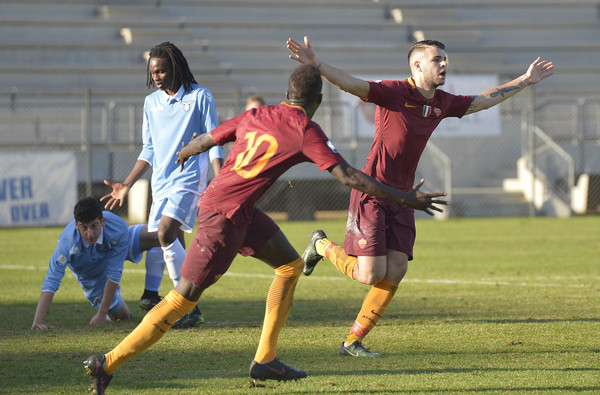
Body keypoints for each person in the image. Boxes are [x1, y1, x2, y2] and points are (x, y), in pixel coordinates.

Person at [83, 64, 447, 393]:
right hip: (222, 217)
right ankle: (108, 362)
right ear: (317, 100)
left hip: (240, 211)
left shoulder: (256, 113)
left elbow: (210, 138)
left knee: (289, 266)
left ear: (287, 93)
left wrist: (185, 152)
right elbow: (348, 176)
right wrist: (405, 198)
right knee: (183, 298)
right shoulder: (305, 129)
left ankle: (266, 361)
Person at [287, 36, 554, 357]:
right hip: (372, 191)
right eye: (437, 59)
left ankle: (352, 342)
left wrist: (525, 80)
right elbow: (352, 85)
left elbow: (480, 100)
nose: (444, 64)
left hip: (404, 197)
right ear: (417, 65)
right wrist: (315, 65)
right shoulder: (395, 92)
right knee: (370, 274)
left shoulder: (442, 102)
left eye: (445, 59)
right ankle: (321, 245)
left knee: (396, 268)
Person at [101, 42, 224, 328]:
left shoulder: (200, 96)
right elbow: (149, 149)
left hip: (190, 178)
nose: (156, 77)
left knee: (166, 232)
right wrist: (127, 184)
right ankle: (188, 307)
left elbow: (215, 141)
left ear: (175, 68)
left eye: (161, 71)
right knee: (168, 239)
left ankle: (185, 305)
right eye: (153, 72)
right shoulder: (151, 103)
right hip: (161, 183)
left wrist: (220, 181)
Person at [32, 197, 142, 329]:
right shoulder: (67, 242)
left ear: (102, 221)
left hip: (118, 249)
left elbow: (115, 271)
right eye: (84, 227)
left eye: (94, 226)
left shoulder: (118, 227)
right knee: (123, 317)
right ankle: (111, 312)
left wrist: (102, 312)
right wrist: (38, 321)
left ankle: (151, 295)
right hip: (91, 275)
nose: (89, 234)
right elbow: (52, 278)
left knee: (158, 235)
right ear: (76, 225)